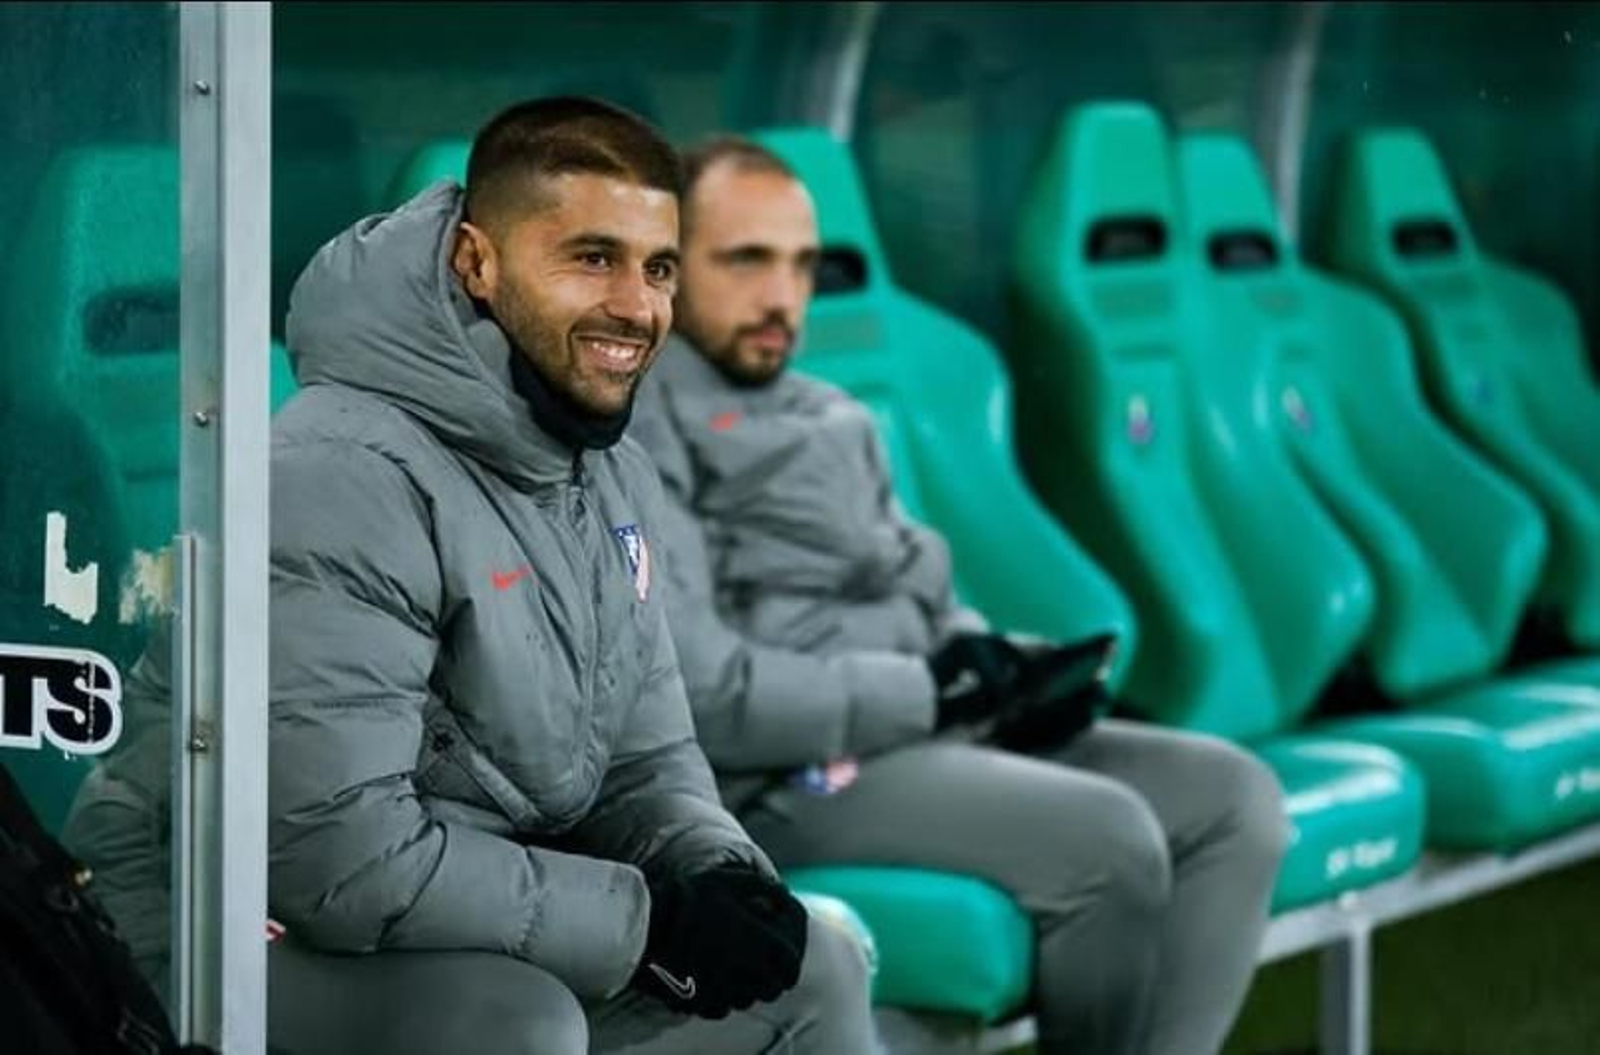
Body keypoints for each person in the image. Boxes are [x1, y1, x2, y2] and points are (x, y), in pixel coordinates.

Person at [64, 100, 877, 1055]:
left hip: (449, 904)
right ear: (476, 263)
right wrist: (646, 925)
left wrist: (719, 877)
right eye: (591, 257)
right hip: (216, 922)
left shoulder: (605, 471)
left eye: (658, 268)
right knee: (518, 1023)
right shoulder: (341, 472)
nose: (637, 305)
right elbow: (337, 856)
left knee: (810, 969)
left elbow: (645, 759)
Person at [628, 136, 1290, 1055]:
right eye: (745, 259)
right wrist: (932, 686)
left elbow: (927, 595)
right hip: (785, 779)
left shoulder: (831, 410)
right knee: (1109, 838)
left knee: (1236, 798)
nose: (783, 296)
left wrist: (1007, 670)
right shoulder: (639, 426)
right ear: (666, 264)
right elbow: (709, 695)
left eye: (802, 265)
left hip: (922, 727)